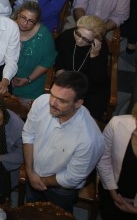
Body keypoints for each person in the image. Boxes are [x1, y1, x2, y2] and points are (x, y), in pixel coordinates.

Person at [22, 71, 105, 213]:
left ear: (78, 103)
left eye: (62, 100)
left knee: (57, 215)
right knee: (32, 212)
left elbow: (72, 177)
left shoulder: (89, 139)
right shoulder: (41, 102)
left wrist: (40, 180)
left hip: (60, 189)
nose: (52, 103)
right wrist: (29, 172)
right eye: (52, 95)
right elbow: (28, 135)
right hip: (33, 173)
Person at [54, 14, 110, 119]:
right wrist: (59, 70)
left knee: (86, 117)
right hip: (66, 81)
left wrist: (94, 56)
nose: (79, 40)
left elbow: (98, 79)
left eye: (86, 39)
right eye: (78, 34)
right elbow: (57, 55)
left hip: (89, 88)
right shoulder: (67, 36)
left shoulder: (101, 49)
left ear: (96, 40)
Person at [10, 2, 56, 105]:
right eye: (23, 17)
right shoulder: (7, 27)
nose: (25, 23)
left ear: (36, 22)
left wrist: (28, 79)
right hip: (4, 83)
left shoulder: (44, 35)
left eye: (31, 21)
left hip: (31, 86)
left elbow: (47, 62)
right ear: (18, 14)